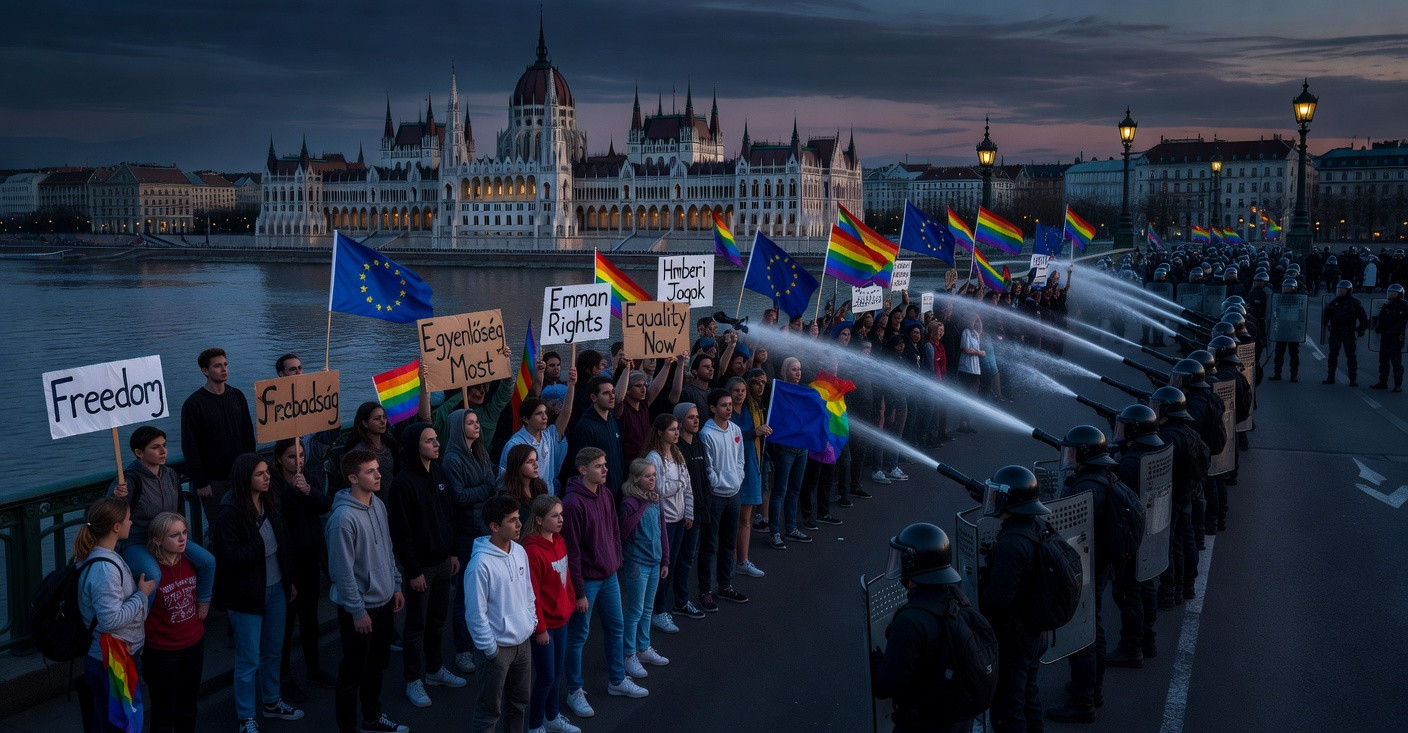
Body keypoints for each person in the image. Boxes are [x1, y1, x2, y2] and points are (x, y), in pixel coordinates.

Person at [210, 453, 304, 731]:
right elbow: (231, 558)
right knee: (248, 659)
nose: (267, 477)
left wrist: (290, 581)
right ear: (244, 479)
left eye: (267, 473)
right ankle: (246, 715)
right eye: (260, 474)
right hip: (246, 595)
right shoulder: (229, 514)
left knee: (274, 650)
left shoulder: (270, 502)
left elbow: (284, 544)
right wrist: (258, 542)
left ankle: (272, 701)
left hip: (276, 587)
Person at [872, 523, 988, 732]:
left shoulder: (910, 620)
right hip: (957, 718)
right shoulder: (957, 600)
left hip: (924, 722)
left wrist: (878, 664)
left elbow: (888, 683)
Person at [327, 449, 409, 733]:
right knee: (353, 671)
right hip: (360, 609)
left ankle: (372, 719)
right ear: (352, 477)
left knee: (376, 666)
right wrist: (358, 611)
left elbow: (387, 548)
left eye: (377, 469)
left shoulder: (378, 504)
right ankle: (348, 727)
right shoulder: (342, 519)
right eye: (370, 471)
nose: (378, 475)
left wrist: (396, 583)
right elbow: (342, 572)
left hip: (385, 601)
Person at [562, 447, 647, 720]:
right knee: (578, 637)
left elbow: (613, 531)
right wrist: (577, 592)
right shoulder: (573, 503)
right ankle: (574, 690)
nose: (605, 469)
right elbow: (571, 552)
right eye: (599, 466)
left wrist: (616, 561)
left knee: (617, 627)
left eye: (605, 464)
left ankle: (617, 680)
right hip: (586, 581)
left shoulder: (607, 494)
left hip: (609, 575)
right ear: (583, 469)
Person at [1045, 426, 1121, 723]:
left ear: (1085, 455)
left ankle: (1083, 700)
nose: (1068, 457)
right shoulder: (1103, 478)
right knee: (1094, 625)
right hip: (1099, 563)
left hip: (1086, 567)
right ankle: (1093, 688)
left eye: (1073, 452)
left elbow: (1066, 533)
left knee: (1083, 632)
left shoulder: (1085, 488)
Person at [387, 423, 466, 707]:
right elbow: (402, 533)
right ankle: (413, 679)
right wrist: (414, 569)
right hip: (421, 568)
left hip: (444, 561)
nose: (436, 444)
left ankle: (434, 669)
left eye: (436, 439)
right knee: (416, 625)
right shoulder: (402, 484)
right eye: (429, 440)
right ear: (414, 446)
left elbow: (449, 514)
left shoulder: (439, 472)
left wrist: (454, 552)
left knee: (437, 620)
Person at [108, 426, 215, 609]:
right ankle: (140, 619)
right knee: (152, 575)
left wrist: (181, 535)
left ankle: (202, 604)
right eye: (155, 447)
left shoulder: (171, 475)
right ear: (138, 452)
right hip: (138, 540)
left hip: (169, 536)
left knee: (208, 561)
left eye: (164, 445)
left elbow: (179, 512)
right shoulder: (129, 480)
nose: (163, 451)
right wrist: (115, 496)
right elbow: (108, 512)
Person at [979, 466, 1050, 733]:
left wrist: (978, 594)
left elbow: (998, 600)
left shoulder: (1011, 543)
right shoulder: (1036, 526)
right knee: (1029, 698)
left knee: (1008, 709)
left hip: (1014, 637)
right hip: (1034, 632)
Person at [76, 497, 156, 733]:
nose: (132, 522)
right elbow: (110, 620)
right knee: (124, 726)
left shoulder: (98, 556)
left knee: (107, 723)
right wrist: (141, 595)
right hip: (114, 660)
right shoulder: (105, 569)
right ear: (116, 527)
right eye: (128, 518)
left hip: (111, 657)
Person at [269, 438, 334, 705]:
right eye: (291, 457)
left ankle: (313, 669)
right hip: (289, 566)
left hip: (310, 561)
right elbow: (280, 525)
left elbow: (325, 504)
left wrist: (308, 490)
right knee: (285, 626)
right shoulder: (273, 487)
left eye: (301, 455)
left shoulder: (306, 478)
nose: (298, 461)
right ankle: (283, 678)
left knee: (310, 620)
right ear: (279, 460)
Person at [464, 494, 536, 733]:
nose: (519, 525)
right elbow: (475, 614)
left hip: (522, 643)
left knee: (518, 704)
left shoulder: (519, 551)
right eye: (512, 520)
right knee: (489, 713)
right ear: (494, 526)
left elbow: (528, 591)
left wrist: (531, 622)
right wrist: (491, 649)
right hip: (496, 651)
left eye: (518, 519)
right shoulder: (479, 565)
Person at [444, 408, 502, 676]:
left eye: (477, 421)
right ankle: (463, 650)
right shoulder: (452, 459)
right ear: (459, 427)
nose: (476, 426)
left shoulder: (479, 451)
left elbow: (490, 478)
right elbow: (459, 497)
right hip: (466, 532)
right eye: (470, 423)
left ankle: (482, 639)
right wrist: (485, 489)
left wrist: (485, 487)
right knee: (465, 597)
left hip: (483, 528)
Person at [142, 512, 208, 733]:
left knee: (188, 709)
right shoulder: (149, 570)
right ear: (158, 540)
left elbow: (210, 566)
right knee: (163, 713)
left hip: (193, 644)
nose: (182, 540)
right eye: (175, 535)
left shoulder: (192, 560)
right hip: (162, 652)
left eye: (184, 533)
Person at [1109, 406, 1163, 668]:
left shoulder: (1129, 465)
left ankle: (1131, 649)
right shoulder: (1153, 452)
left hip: (1132, 539)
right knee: (1147, 586)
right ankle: (1148, 639)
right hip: (1153, 529)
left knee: (1128, 593)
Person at [523, 494, 582, 733]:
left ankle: (552, 715)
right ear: (538, 519)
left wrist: (570, 603)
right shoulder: (531, 551)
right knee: (546, 676)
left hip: (562, 619)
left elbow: (565, 578)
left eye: (561, 515)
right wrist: (540, 629)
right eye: (554, 516)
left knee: (557, 673)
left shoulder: (559, 540)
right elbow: (532, 595)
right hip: (545, 626)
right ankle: (535, 724)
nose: (560, 520)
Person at [180, 348, 255, 531]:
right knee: (220, 529)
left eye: (225, 365)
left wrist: (251, 468)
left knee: (248, 523)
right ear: (205, 371)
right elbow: (190, 446)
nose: (224, 369)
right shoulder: (193, 404)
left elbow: (248, 433)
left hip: (240, 476)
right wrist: (201, 482)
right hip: (214, 482)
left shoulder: (237, 395)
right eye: (217, 366)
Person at [1150, 387, 1209, 608]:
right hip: (1186, 494)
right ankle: (1188, 585)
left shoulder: (1167, 437)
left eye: (1158, 406)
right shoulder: (1187, 432)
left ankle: (1169, 590)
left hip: (1171, 498)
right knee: (1187, 538)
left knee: (1170, 544)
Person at [618, 459, 671, 680]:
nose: (653, 479)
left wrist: (666, 559)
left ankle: (644, 647)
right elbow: (625, 531)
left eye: (654, 475)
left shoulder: (655, 500)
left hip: (655, 561)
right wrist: (644, 506)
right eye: (648, 476)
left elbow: (663, 531)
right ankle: (629, 654)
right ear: (636, 478)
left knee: (647, 610)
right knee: (635, 611)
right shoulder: (630, 502)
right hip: (637, 563)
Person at [698, 388, 749, 611]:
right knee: (709, 545)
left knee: (729, 543)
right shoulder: (706, 434)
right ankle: (705, 591)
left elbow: (740, 460)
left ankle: (725, 585)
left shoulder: (736, 429)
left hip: (734, 494)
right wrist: (720, 483)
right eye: (723, 405)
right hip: (716, 497)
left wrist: (737, 480)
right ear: (712, 408)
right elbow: (708, 468)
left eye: (730, 405)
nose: (729, 408)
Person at [644, 414, 694, 635]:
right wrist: (679, 484)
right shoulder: (654, 458)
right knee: (662, 567)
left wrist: (689, 512)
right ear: (659, 432)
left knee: (671, 565)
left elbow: (688, 486)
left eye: (677, 429)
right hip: (663, 521)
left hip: (679, 518)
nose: (676, 432)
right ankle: (657, 611)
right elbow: (658, 489)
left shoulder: (677, 454)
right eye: (672, 429)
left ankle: (661, 607)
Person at [501, 363, 578, 493]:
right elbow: (505, 480)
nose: (544, 417)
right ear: (525, 419)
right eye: (538, 414)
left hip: (548, 498)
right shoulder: (514, 445)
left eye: (545, 413)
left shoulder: (549, 435)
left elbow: (566, 413)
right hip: (526, 503)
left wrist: (571, 385)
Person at [668, 404, 710, 622]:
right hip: (680, 514)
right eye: (691, 417)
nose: (696, 421)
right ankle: (668, 604)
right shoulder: (677, 449)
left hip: (698, 510)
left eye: (697, 417)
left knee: (687, 558)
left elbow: (702, 477)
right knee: (674, 559)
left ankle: (681, 600)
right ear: (680, 420)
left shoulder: (699, 443)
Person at [768, 358, 812, 548]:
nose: (798, 373)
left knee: (794, 490)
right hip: (785, 448)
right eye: (794, 370)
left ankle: (791, 528)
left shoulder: (803, 391)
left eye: (799, 369)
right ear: (785, 371)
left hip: (802, 447)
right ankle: (775, 532)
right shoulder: (778, 390)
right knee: (780, 490)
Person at [728, 374, 768, 578]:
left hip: (751, 466)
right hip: (731, 470)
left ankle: (742, 560)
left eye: (742, 391)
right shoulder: (726, 412)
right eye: (736, 391)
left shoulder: (749, 409)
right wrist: (755, 432)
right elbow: (731, 436)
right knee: (733, 519)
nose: (740, 394)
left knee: (746, 518)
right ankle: (731, 560)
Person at [568, 376, 625, 497]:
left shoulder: (612, 420)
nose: (612, 396)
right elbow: (580, 465)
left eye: (613, 392)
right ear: (593, 397)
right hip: (597, 494)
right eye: (606, 393)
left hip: (616, 493)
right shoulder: (585, 427)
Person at [1322, 280, 1370, 386]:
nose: (1340, 292)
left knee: (1351, 356)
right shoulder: (1334, 302)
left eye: (1342, 290)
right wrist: (1328, 324)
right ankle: (1331, 377)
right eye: (1339, 290)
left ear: (1348, 291)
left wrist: (1360, 329)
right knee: (1332, 355)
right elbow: (1326, 316)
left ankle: (1353, 379)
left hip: (1349, 332)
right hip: (1335, 331)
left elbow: (1364, 319)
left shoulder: (1354, 303)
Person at [346, 402, 400, 485]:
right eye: (377, 419)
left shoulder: (391, 445)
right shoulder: (358, 452)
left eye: (384, 417)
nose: (383, 421)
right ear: (365, 423)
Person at [1371, 283, 1407, 391]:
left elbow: (1398, 320)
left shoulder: (1403, 305)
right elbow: (1381, 318)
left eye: (1393, 292)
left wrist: (1384, 326)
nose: (1391, 293)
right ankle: (1383, 382)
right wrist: (1377, 327)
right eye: (1390, 291)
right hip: (1385, 336)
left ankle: (1398, 385)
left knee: (1396, 361)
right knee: (1383, 361)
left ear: (1399, 294)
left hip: (1395, 337)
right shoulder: (1387, 305)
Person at [1269, 278, 1303, 381]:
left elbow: (1302, 316)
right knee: (1279, 352)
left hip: (1293, 328)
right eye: (1285, 287)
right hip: (1282, 327)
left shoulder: (1299, 299)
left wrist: (1300, 329)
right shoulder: (1279, 298)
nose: (1287, 289)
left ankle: (1294, 374)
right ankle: (1277, 373)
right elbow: (1275, 312)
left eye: (1289, 288)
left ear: (1294, 288)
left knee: (1294, 353)